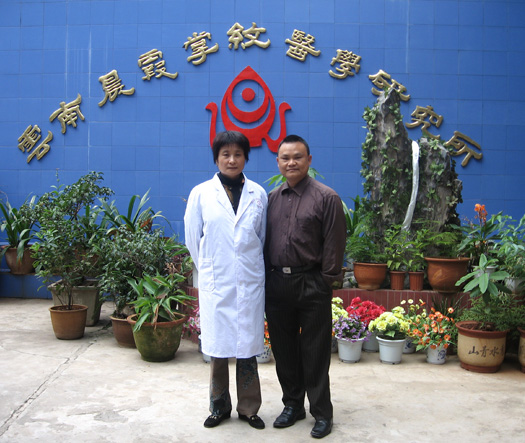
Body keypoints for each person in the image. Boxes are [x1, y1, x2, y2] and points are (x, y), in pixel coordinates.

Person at [264, 134, 346, 439]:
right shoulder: (271, 199)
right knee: (284, 350)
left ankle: (322, 412)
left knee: (315, 352)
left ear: (309, 160)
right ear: (278, 162)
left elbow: (335, 244)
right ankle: (293, 405)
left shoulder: (326, 198)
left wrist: (325, 281)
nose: (291, 163)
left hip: (312, 283)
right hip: (278, 284)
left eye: (297, 157)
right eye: (285, 158)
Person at [184, 131, 267, 430]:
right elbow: (193, 238)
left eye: (238, 154)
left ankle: (249, 408)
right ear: (216, 159)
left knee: (247, 347)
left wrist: (243, 266)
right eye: (225, 154)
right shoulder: (201, 194)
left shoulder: (258, 194)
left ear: (246, 158)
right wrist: (210, 268)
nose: (232, 160)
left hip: (249, 282)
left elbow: (261, 238)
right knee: (218, 348)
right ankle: (219, 407)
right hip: (216, 283)